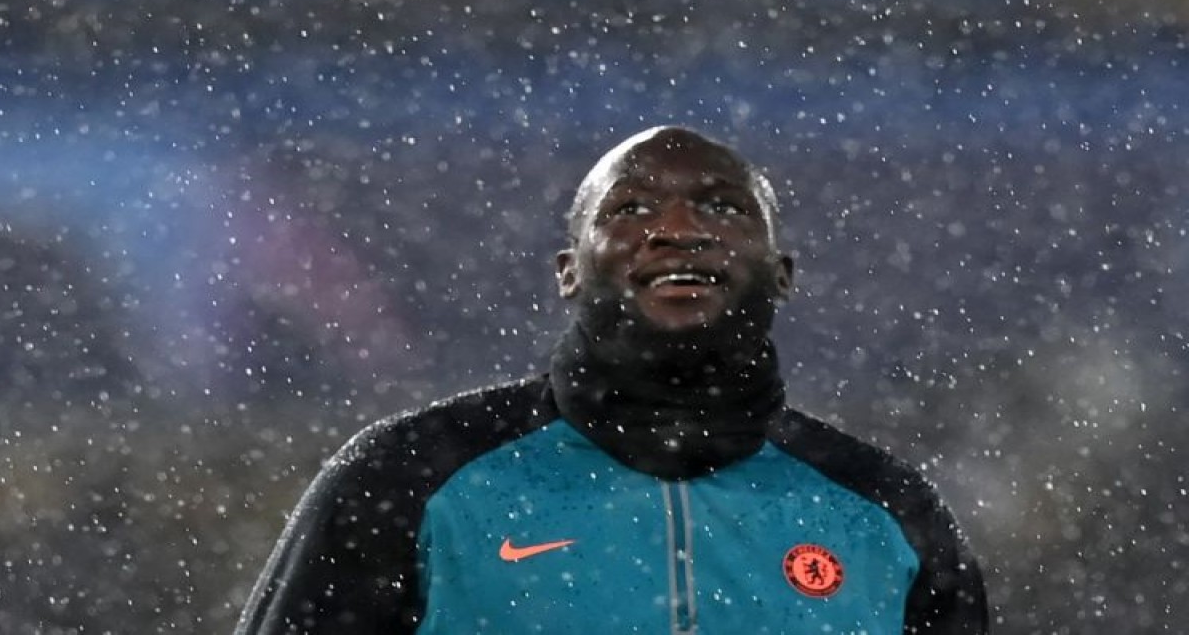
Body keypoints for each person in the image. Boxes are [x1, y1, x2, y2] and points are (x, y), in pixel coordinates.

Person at [235, 126, 989, 634]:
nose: (676, 228)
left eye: (720, 208)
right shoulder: (406, 476)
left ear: (782, 273)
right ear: (568, 272)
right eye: (630, 208)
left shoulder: (883, 510)